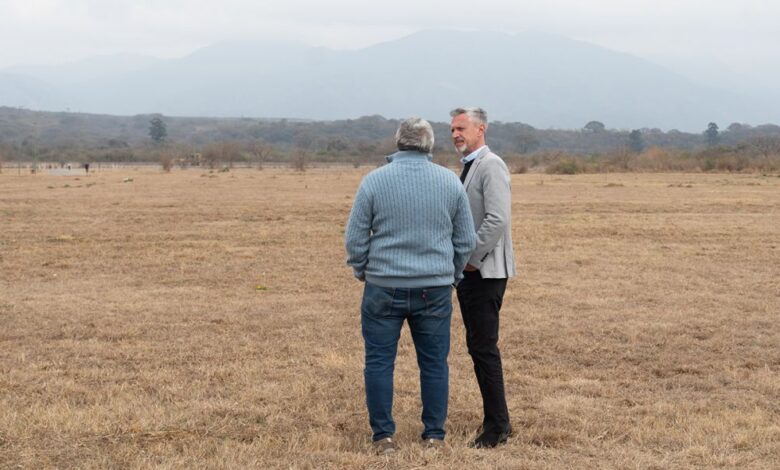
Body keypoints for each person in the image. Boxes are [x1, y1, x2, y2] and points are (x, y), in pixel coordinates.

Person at [345, 117, 476, 454]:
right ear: (430, 145)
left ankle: (383, 437)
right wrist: (453, 274)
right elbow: (465, 240)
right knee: (434, 363)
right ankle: (434, 435)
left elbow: (355, 238)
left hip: (382, 286)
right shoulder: (449, 182)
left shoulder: (374, 181)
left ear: (397, 142)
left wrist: (364, 270)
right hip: (434, 288)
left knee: (378, 362)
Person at [450, 107, 516, 448]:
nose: (456, 134)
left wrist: (471, 259)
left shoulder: (491, 165)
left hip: (484, 272)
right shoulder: (469, 166)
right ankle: (497, 420)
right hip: (472, 273)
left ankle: (497, 428)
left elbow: (497, 219)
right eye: (452, 130)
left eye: (461, 128)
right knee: (478, 346)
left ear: (481, 129)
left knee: (483, 348)